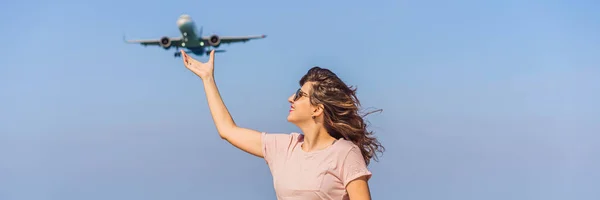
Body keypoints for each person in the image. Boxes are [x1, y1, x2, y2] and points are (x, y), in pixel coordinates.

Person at [180, 50, 384, 200]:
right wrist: (207, 79)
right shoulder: (284, 147)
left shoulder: (345, 153)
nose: (290, 99)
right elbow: (227, 130)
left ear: (317, 109)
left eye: (299, 95)